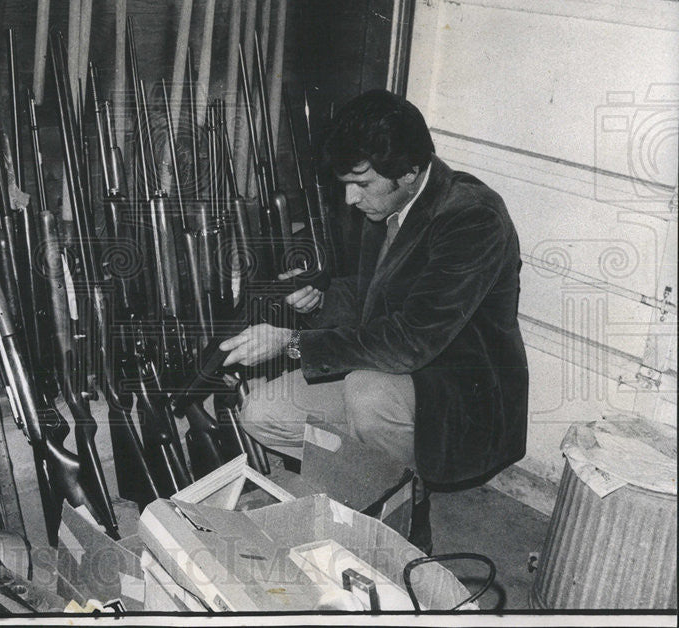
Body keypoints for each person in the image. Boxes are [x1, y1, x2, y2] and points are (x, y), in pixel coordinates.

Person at [219, 89, 529, 550]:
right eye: (345, 183)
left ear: (409, 171)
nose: (349, 198)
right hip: (393, 372)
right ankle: (364, 488)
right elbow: (372, 294)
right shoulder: (388, 202)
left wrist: (291, 344)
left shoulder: (472, 217)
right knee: (261, 412)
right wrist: (319, 300)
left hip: (458, 392)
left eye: (361, 183)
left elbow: (410, 340)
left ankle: (403, 517)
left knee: (367, 391)